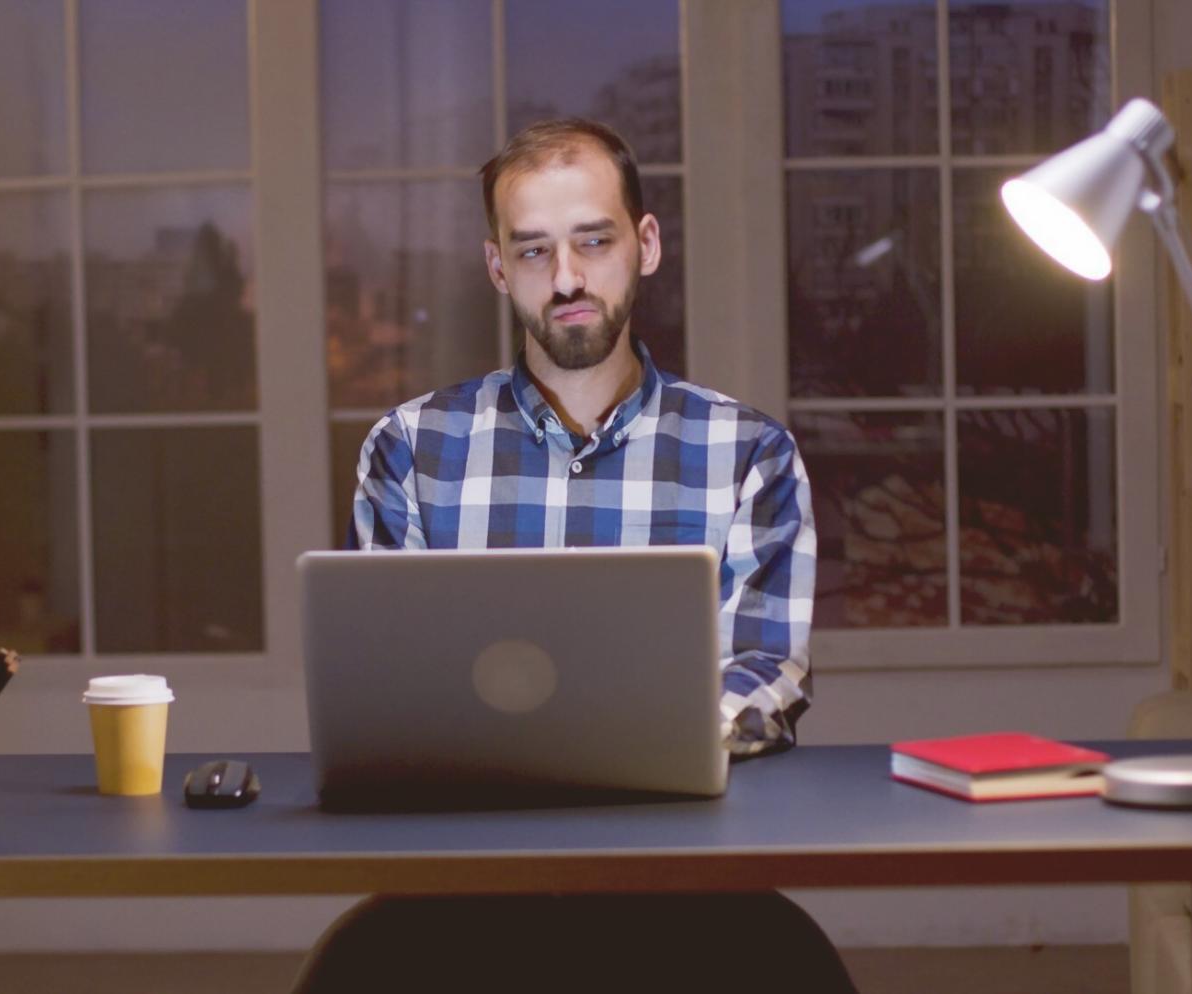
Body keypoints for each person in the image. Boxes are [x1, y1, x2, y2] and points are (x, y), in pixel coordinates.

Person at [293, 118, 851, 993]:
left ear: (647, 243)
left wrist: (645, 751)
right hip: (464, 885)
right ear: (495, 268)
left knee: (791, 971)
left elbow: (767, 669)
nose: (566, 280)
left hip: (680, 879)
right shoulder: (411, 446)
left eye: (594, 241)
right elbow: (387, 687)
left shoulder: (749, 452)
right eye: (533, 252)